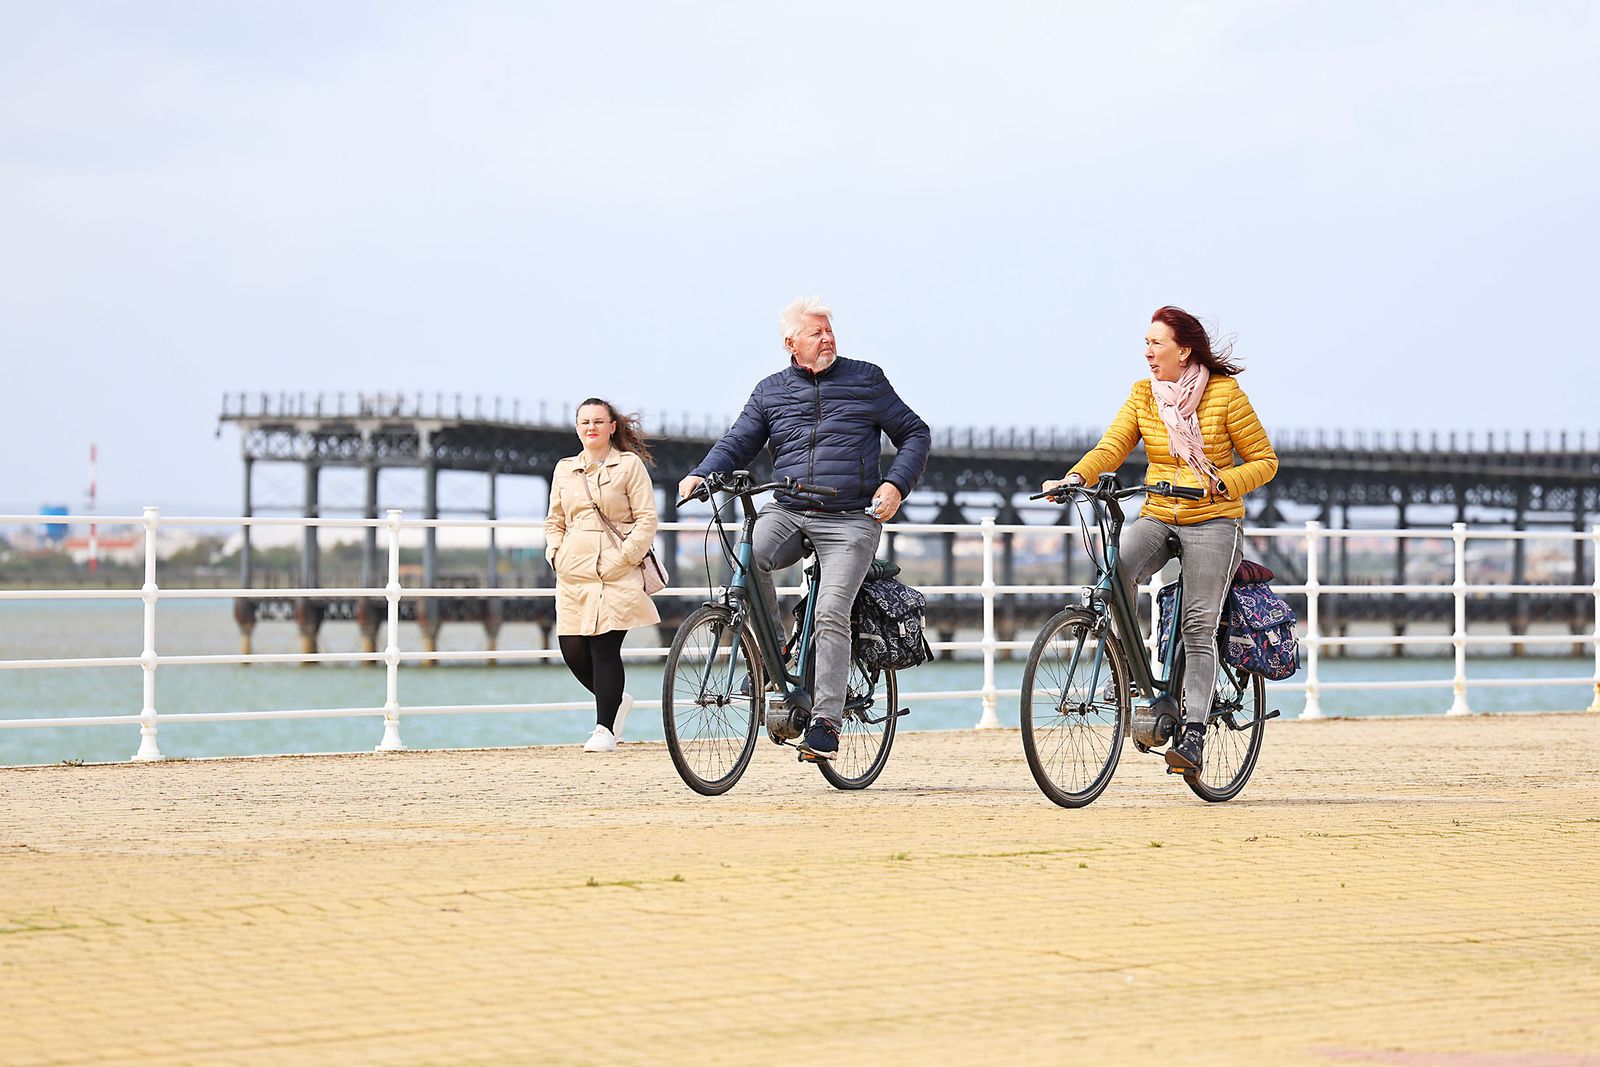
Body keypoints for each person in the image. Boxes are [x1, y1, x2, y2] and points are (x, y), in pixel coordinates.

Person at [679, 297, 931, 762]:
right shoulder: (770, 391)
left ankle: (826, 723)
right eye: (817, 332)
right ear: (791, 342)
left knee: (832, 610)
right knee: (748, 559)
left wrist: (896, 484)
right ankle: (776, 657)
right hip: (790, 509)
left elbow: (915, 433)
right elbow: (738, 441)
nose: (827, 338)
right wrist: (702, 473)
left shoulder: (866, 379)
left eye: (829, 330)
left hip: (851, 517)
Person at [1043, 306, 1278, 773]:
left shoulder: (1225, 394)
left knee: (1197, 625)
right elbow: (1112, 447)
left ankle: (1194, 733)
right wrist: (1075, 477)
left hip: (1213, 518)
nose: (1148, 353)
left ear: (1184, 350)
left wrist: (1225, 483)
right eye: (1146, 344)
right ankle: (1128, 671)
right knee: (1116, 572)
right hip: (1159, 512)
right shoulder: (1142, 395)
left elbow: (1265, 460)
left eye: (1157, 344)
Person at [545, 398, 661, 752]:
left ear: (612, 427)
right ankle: (616, 701)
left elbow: (647, 518)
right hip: (574, 570)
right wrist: (555, 553)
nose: (591, 427)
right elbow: (555, 520)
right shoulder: (565, 469)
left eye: (598, 421)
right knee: (572, 649)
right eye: (584, 422)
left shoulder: (629, 465)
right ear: (577, 428)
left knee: (604, 647)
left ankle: (604, 729)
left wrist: (624, 558)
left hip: (617, 569)